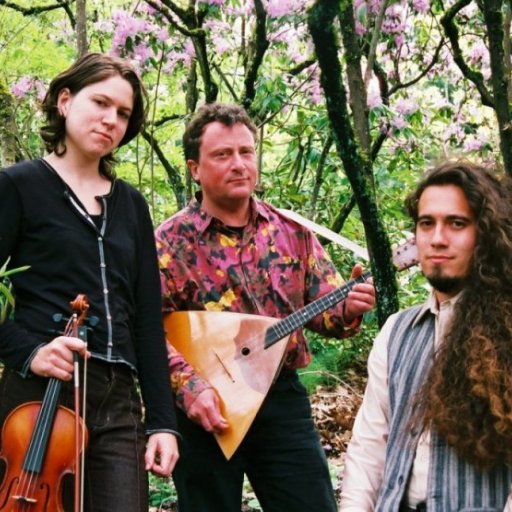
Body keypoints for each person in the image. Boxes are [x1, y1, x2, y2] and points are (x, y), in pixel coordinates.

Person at [155, 102, 375, 512]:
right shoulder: (167, 244)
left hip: (280, 399)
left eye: (246, 151)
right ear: (194, 169)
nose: (239, 164)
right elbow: (147, 328)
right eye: (222, 155)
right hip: (205, 408)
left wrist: (348, 307)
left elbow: (327, 313)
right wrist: (190, 388)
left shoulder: (291, 233)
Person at [0, 53, 179, 512]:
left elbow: (145, 320)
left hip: (119, 399)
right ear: (64, 101)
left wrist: (162, 421)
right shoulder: (17, 186)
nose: (111, 119)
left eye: (123, 113)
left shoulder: (132, 206)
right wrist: (29, 352)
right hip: (40, 395)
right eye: (100, 102)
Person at [340, 160, 512, 510]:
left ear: (486, 232)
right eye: (426, 223)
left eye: (457, 223)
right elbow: (370, 446)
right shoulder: (396, 332)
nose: (437, 238)